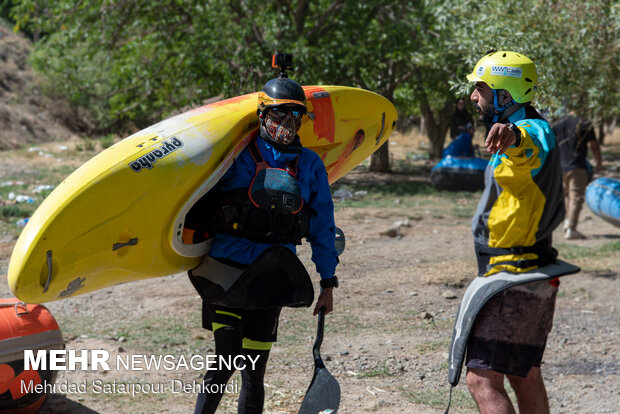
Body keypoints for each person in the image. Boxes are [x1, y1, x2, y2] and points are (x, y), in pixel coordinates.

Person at [187, 69, 339, 414]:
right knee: (224, 364)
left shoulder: (310, 165)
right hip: (226, 275)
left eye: (295, 114)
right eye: (279, 114)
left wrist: (328, 282)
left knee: (254, 375)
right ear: (262, 116)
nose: (287, 122)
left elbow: (323, 227)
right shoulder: (234, 156)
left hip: (272, 280)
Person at [464, 51, 565, 414]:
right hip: (529, 272)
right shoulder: (527, 130)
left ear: (505, 95)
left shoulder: (529, 131)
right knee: (525, 374)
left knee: (481, 379)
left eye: (481, 88)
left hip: (513, 276)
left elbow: (528, 144)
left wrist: (513, 134)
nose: (474, 96)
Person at [553, 110, 603, 239]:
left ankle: (566, 224)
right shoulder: (584, 123)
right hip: (577, 166)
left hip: (560, 167)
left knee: (566, 197)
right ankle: (571, 228)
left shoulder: (558, 124)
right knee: (576, 197)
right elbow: (594, 145)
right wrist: (598, 162)